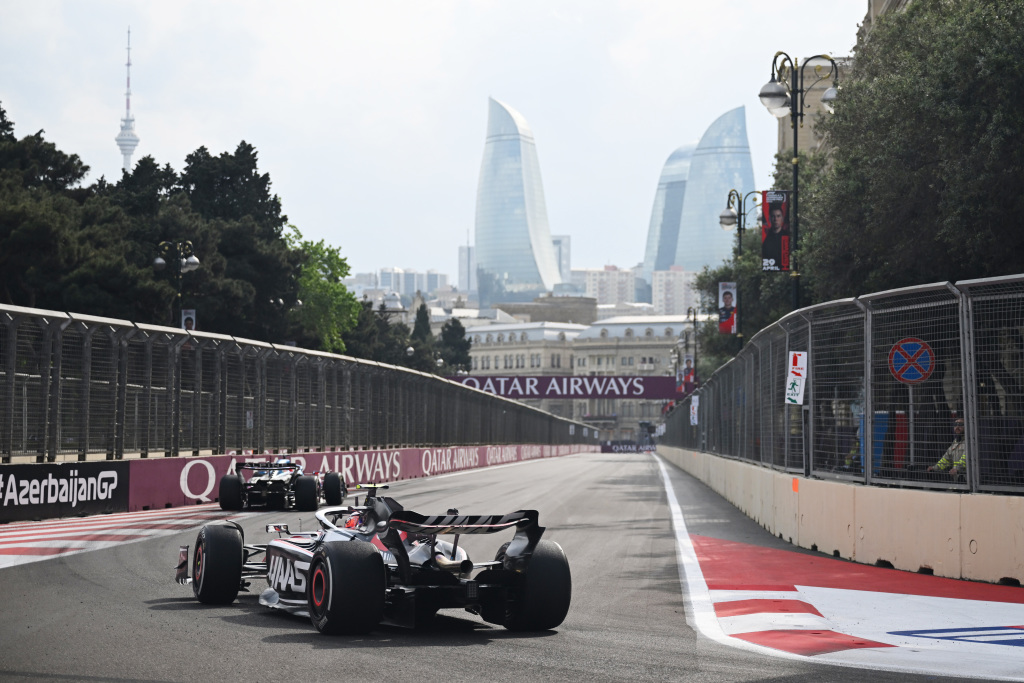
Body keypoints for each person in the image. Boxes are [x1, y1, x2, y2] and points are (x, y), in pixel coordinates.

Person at [761, 202, 789, 271]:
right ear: (769, 218)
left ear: (782, 218)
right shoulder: (766, 240)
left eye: (778, 216)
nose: (775, 219)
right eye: (773, 216)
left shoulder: (786, 237)